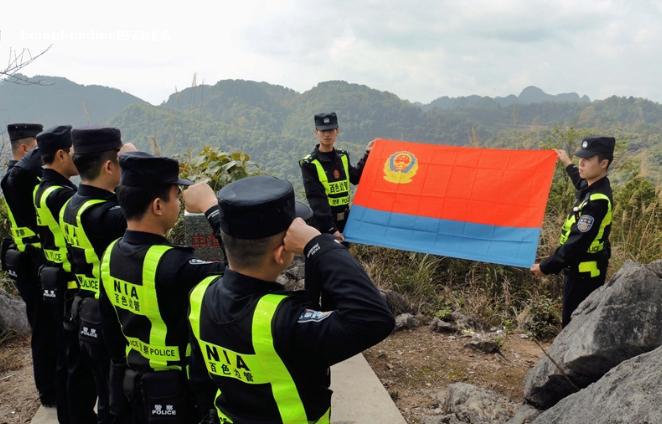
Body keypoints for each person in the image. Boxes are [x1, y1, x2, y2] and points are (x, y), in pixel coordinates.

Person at [188, 175, 395, 423]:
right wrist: (318, 243)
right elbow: (374, 317)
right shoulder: (286, 324)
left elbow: (200, 378)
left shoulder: (200, 296)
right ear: (281, 253)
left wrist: (213, 210)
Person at [98, 151, 224, 424]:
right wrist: (212, 208)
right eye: (175, 196)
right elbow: (241, 271)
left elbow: (110, 331)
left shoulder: (109, 255)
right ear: (157, 206)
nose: (178, 203)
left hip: (135, 386)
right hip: (180, 393)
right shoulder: (179, 265)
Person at [59, 127, 136, 423]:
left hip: (84, 308)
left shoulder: (73, 204)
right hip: (109, 318)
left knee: (104, 388)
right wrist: (136, 162)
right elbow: (146, 204)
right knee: (115, 398)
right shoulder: (107, 215)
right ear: (108, 166)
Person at [531, 136, 615, 327]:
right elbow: (580, 182)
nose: (581, 163)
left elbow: (577, 243)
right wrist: (567, 162)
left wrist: (546, 267)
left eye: (587, 160)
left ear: (603, 163)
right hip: (579, 270)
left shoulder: (598, 201)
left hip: (585, 276)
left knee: (572, 324)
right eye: (580, 158)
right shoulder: (594, 185)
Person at [0, 123, 57, 406]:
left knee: (48, 328)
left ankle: (52, 385)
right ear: (24, 149)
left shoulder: (19, 175)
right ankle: (49, 391)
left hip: (32, 261)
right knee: (45, 330)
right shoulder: (15, 177)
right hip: (30, 263)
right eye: (37, 149)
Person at [33, 125, 79, 423]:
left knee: (65, 356)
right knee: (73, 361)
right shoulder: (60, 195)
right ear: (61, 154)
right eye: (75, 152)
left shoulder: (41, 187)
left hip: (54, 277)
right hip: (69, 282)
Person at [299, 112, 374, 241]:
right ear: (316, 132)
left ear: (337, 131)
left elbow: (355, 178)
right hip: (324, 225)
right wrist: (331, 229)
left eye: (330, 130)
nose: (327, 134)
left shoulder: (343, 156)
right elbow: (316, 199)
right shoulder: (309, 163)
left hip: (345, 221)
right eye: (322, 131)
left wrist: (367, 154)